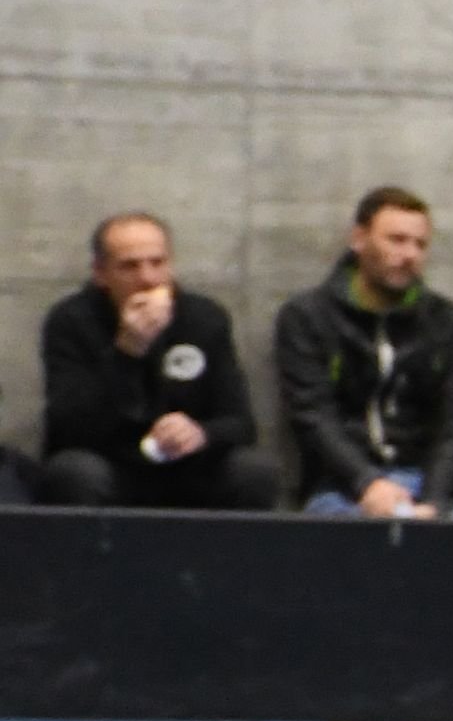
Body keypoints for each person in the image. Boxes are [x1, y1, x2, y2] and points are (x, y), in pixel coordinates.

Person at [36, 213, 280, 511]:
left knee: (253, 469)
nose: (148, 279)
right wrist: (127, 352)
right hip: (112, 463)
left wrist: (200, 433)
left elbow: (240, 423)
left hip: (189, 466)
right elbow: (67, 428)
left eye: (158, 263)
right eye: (130, 267)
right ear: (101, 273)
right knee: (73, 472)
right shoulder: (72, 321)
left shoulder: (203, 318)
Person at [275, 187, 453, 517]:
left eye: (420, 244)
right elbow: (313, 416)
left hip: (429, 483)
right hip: (342, 487)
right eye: (397, 240)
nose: (409, 254)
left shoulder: (449, 324)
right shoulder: (308, 317)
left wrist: (433, 502)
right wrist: (367, 483)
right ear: (359, 239)